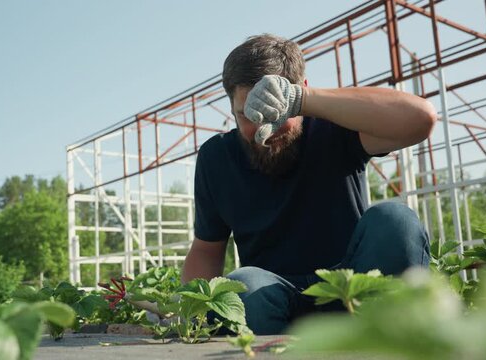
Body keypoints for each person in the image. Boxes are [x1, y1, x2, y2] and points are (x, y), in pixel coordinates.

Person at [181, 34, 436, 335]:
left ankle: (392, 339)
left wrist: (304, 101)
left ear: (300, 91)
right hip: (276, 296)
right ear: (232, 109)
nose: (265, 128)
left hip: (352, 286)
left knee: (396, 221)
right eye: (248, 114)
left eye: (277, 111)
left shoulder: (334, 127)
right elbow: (206, 250)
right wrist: (188, 314)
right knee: (246, 286)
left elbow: (421, 119)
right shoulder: (217, 158)